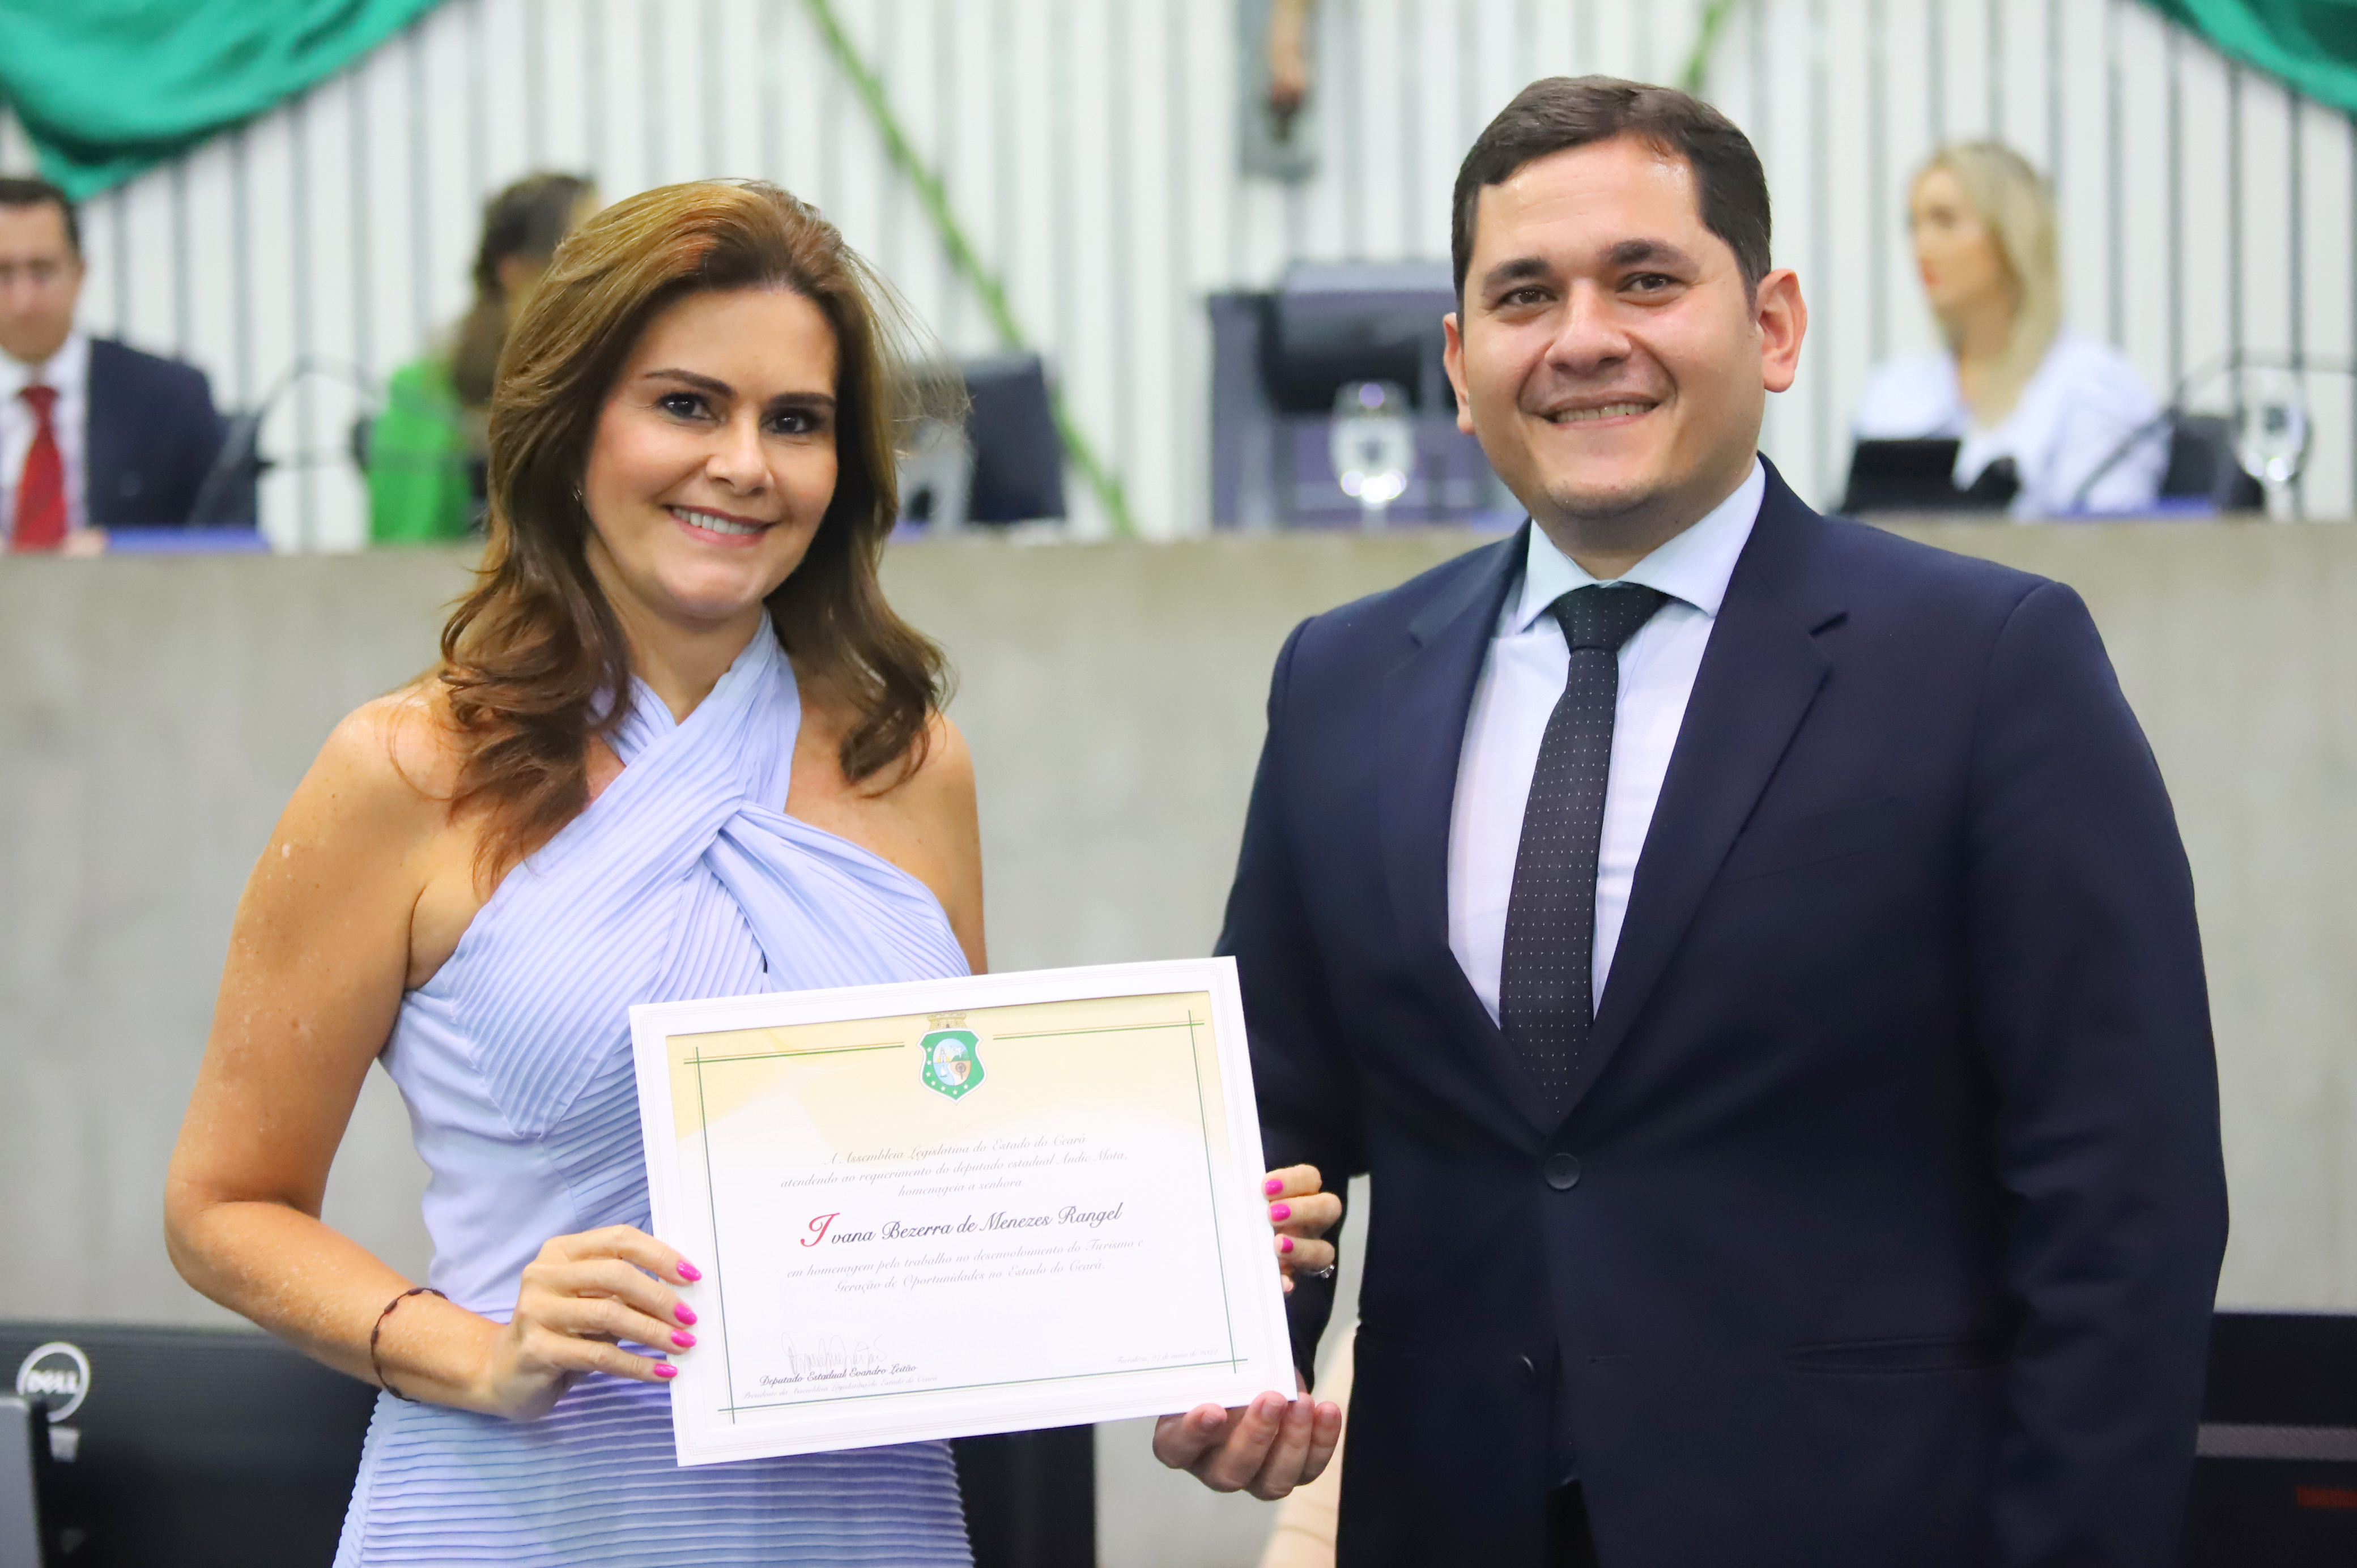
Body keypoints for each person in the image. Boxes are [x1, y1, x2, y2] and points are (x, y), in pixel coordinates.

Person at [1160, 76, 2226, 1566]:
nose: (1584, 336)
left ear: (1773, 326)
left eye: (1646, 280)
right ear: (1461, 364)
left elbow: (2121, 1196)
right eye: (1525, 295)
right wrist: (1236, 1345)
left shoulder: (1988, 665)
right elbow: (1273, 1108)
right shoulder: (1341, 679)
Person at [167, 180, 989, 1563]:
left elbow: (955, 1171)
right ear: (569, 426)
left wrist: (1175, 1257)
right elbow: (220, 1206)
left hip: (862, 1517)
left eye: (796, 421)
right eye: (686, 404)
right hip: (521, 1511)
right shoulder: (405, 770)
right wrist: (471, 1350)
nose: (745, 463)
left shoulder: (914, 765)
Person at [1852, 142, 2166, 517]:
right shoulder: (1891, 392)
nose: (1921, 247)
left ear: (2012, 235)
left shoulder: (2096, 388)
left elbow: (2115, 543)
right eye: (1913, 225)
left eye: (1944, 221)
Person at [0, 175, 237, 552]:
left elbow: (234, 542)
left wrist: (120, 549)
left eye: (42, 271)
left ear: (80, 273)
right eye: (3, 274)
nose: (23, 300)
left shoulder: (169, 398)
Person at [366, 172, 597, 544]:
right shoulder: (426, 390)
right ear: (515, 272)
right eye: (589, 253)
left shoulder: (607, 375)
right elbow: (405, 548)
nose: (610, 271)